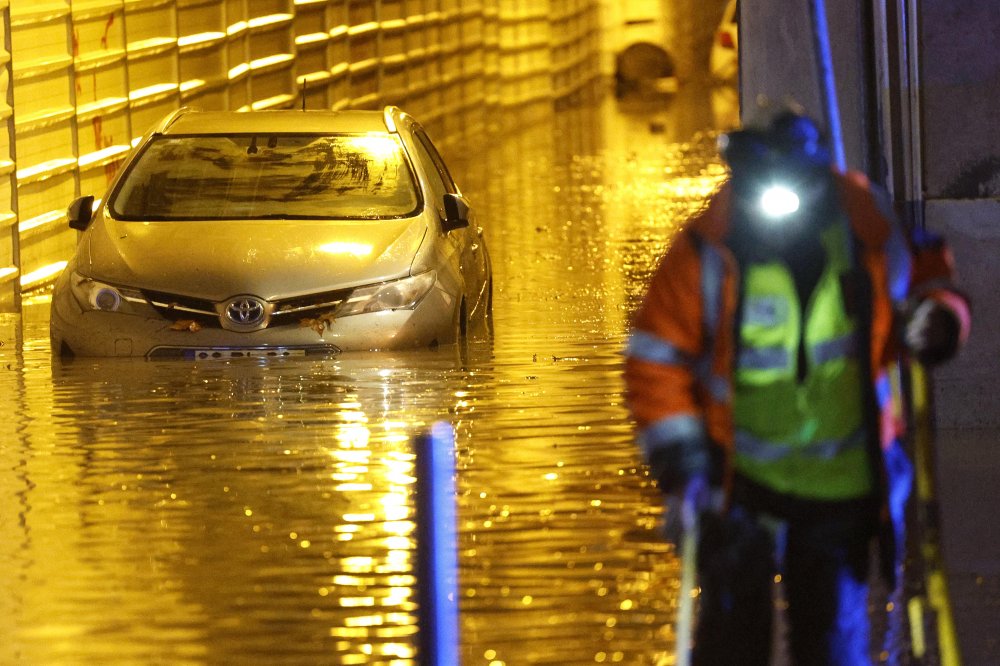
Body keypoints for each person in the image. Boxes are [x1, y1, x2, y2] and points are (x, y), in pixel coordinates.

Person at [623, 108, 971, 665]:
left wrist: (940, 317)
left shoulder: (863, 226)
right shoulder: (710, 247)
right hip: (738, 489)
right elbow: (655, 359)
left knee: (833, 642)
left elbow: (927, 270)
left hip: (841, 490)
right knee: (732, 643)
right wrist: (683, 464)